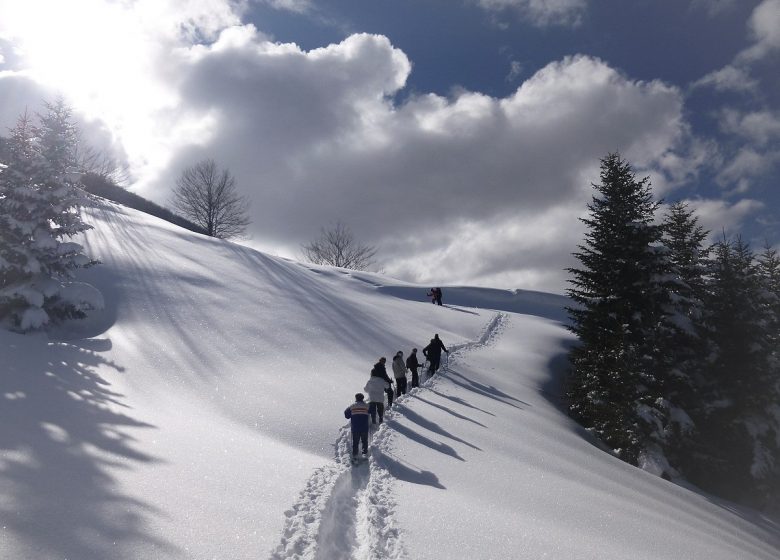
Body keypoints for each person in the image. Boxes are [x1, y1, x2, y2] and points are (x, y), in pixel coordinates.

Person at [344, 393, 370, 460]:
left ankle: (355, 455)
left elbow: (346, 415)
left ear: (356, 398)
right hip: (364, 427)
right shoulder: (367, 406)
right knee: (364, 441)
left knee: (355, 442)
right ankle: (364, 454)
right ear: (362, 398)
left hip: (355, 427)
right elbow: (372, 411)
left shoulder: (352, 406)